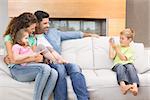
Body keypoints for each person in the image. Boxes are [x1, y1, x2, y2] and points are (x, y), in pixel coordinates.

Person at [34, 10, 95, 100]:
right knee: (60, 69)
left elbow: (71, 34)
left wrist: (88, 34)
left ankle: (84, 98)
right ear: (37, 23)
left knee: (75, 67)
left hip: (60, 61)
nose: (48, 25)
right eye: (45, 23)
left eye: (48, 22)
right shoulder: (31, 36)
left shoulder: (54, 33)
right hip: (48, 64)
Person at [3, 12, 58, 100]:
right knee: (45, 68)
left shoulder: (32, 38)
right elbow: (13, 60)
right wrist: (30, 57)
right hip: (17, 70)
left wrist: (27, 58)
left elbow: (38, 58)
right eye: (32, 28)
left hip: (30, 67)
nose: (34, 30)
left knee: (54, 73)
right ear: (25, 27)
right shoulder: (9, 38)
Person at [109, 28, 139, 96]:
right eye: (120, 38)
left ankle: (135, 87)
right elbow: (111, 56)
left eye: (122, 38)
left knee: (131, 67)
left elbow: (123, 59)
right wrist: (111, 46)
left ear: (129, 40)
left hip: (127, 64)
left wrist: (117, 49)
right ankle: (123, 86)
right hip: (118, 65)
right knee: (120, 67)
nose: (120, 40)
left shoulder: (130, 49)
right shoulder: (117, 46)